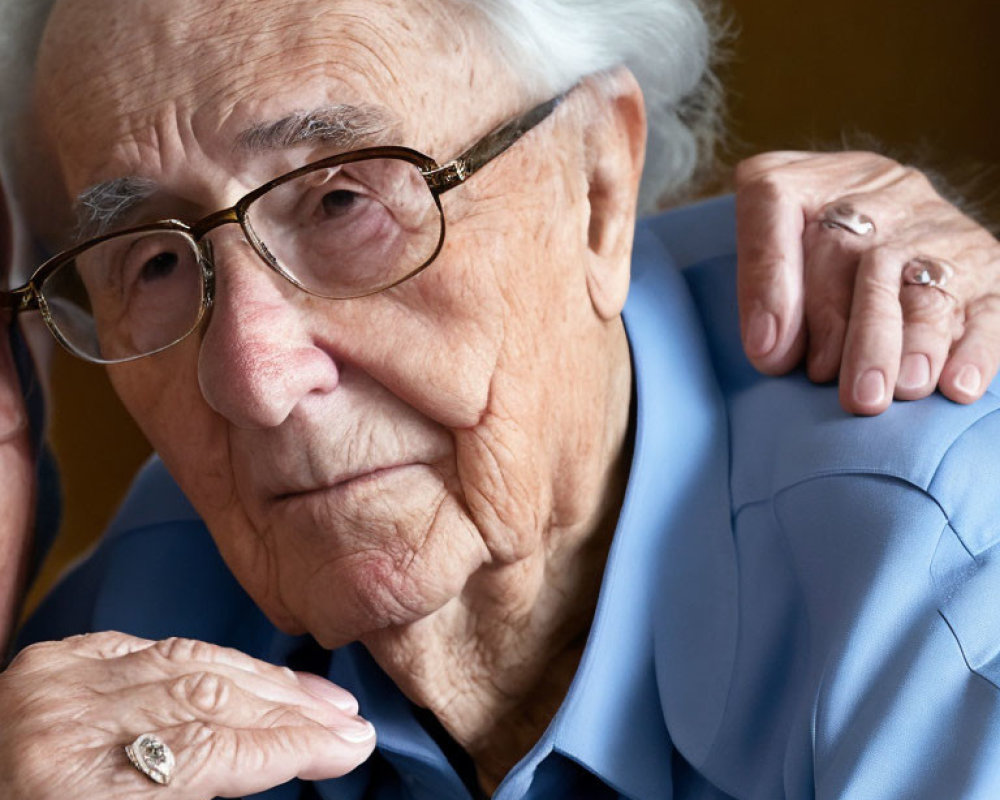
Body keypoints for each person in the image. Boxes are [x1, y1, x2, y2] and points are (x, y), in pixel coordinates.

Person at [2, 1, 1000, 798]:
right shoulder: (116, 669)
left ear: (598, 188)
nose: (257, 379)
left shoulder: (935, 563)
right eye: (158, 262)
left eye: (343, 200)